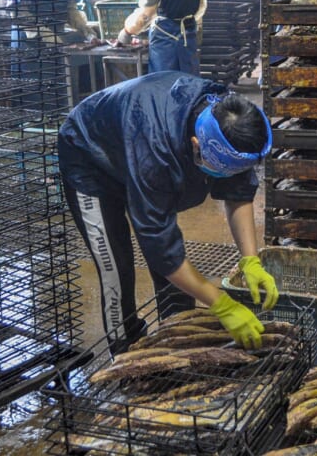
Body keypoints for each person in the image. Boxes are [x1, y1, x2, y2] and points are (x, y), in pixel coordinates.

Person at [57, 71, 279, 351]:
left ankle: (178, 342)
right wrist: (222, 305)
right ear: (196, 144)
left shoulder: (230, 120)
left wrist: (251, 260)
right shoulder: (155, 149)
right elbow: (161, 248)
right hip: (91, 159)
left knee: (177, 271)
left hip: (133, 142)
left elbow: (238, 193)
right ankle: (124, 352)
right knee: (116, 267)